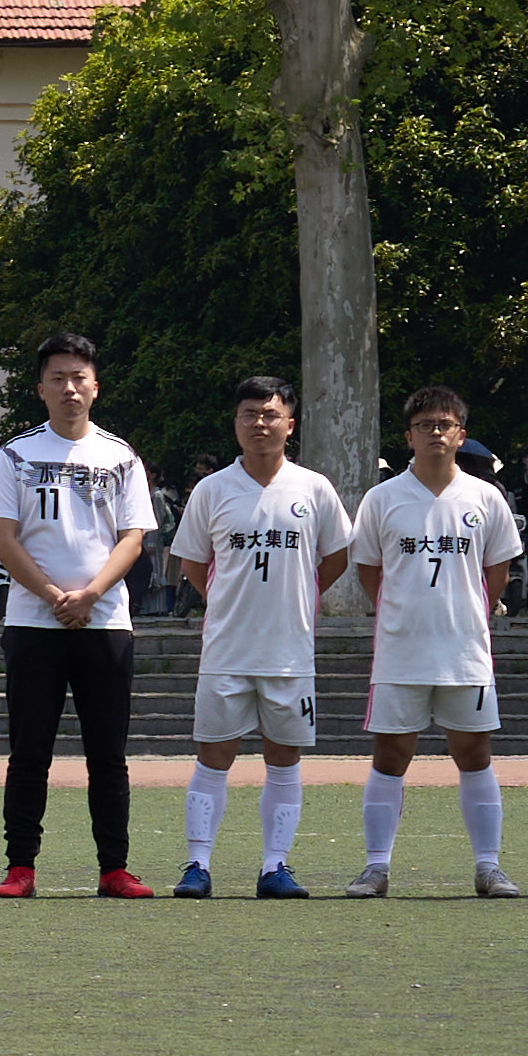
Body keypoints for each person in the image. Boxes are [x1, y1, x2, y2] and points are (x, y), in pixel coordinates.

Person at [0, 334, 162, 898]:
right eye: (58, 378)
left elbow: (133, 539)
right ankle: (21, 867)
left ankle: (114, 868)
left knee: (107, 753)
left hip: (105, 623)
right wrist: (54, 593)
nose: (69, 388)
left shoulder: (121, 456)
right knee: (29, 751)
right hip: (34, 623)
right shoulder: (15, 455)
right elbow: (2, 537)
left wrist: (89, 596)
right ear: (40, 389)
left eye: (79, 377)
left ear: (96, 386)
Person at [165, 374, 352, 900]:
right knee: (212, 758)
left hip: (290, 652)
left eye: (270, 415)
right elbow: (194, 563)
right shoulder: (213, 489)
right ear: (236, 424)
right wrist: (230, 601)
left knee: (285, 760)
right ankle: (198, 864)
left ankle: (276, 866)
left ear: (290, 425)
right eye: (250, 414)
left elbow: (335, 555)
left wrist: (300, 596)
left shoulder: (314, 488)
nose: (260, 423)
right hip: (226, 650)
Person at [351, 386, 527, 898]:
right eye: (424, 425)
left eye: (444, 424)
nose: (435, 432)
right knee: (390, 755)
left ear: (461, 435)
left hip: (464, 650)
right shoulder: (383, 498)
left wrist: (466, 613)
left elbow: (496, 571)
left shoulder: (484, 497)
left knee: (474, 752)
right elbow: (368, 569)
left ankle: (489, 866)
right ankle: (376, 867)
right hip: (400, 650)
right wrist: (400, 612)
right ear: (408, 435)